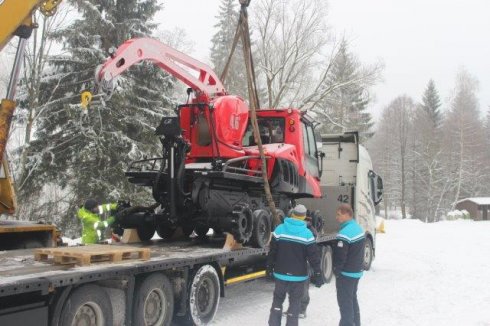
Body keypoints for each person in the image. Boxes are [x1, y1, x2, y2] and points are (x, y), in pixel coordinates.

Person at [267, 204, 324, 326]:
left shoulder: (279, 230)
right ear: (304, 217)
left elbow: (272, 252)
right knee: (294, 306)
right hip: (298, 277)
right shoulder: (307, 234)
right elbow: (314, 257)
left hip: (281, 275)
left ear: (292, 214)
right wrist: (318, 274)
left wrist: (269, 268)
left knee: (277, 303)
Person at [333, 204, 365, 326]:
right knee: (352, 300)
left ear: (347, 214)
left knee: (345, 305)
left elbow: (341, 257)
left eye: (339, 214)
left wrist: (337, 271)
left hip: (346, 274)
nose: (337, 217)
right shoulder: (358, 228)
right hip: (356, 272)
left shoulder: (345, 233)